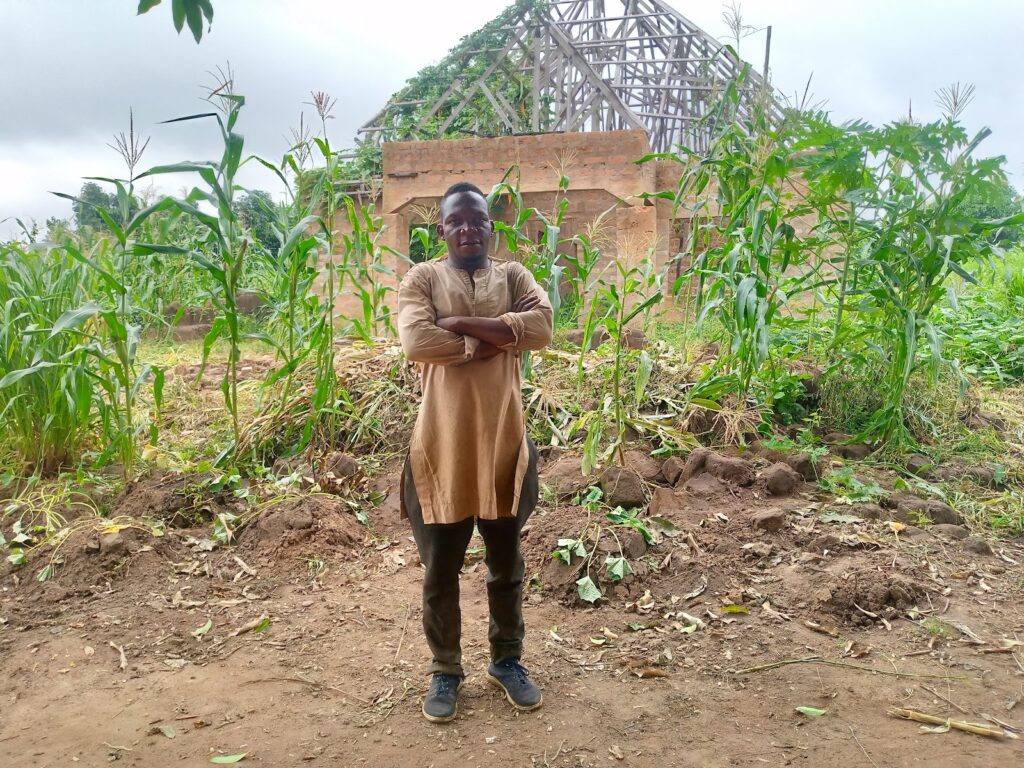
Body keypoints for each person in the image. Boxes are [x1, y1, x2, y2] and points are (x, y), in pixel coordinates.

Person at [397, 181, 554, 723]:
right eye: (456, 222)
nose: (468, 229)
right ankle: (446, 669)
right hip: (441, 446)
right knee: (441, 569)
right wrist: (493, 341)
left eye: (477, 221)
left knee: (506, 564)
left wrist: (459, 325)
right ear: (441, 230)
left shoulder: (513, 276)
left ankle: (507, 661)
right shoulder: (422, 278)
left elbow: (542, 327)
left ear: (491, 228)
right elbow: (418, 342)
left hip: (504, 442)